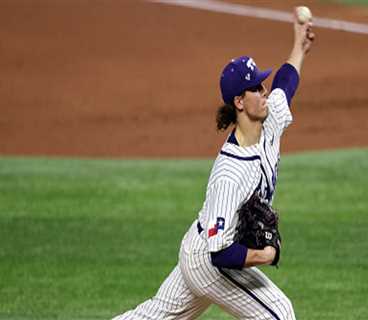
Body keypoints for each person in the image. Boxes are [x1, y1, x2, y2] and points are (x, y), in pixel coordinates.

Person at [113, 9, 314, 320]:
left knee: (155, 316)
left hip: (199, 247)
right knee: (278, 314)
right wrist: (264, 254)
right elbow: (220, 253)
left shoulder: (269, 118)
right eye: (256, 89)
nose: (264, 93)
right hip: (207, 260)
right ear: (238, 102)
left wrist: (299, 46)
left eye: (262, 85)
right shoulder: (228, 175)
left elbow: (286, 84)